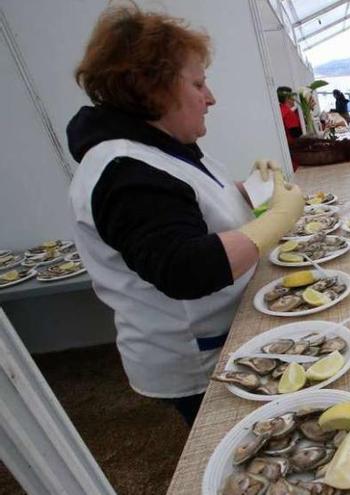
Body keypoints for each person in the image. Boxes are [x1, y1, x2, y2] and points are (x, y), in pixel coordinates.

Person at [66, 6, 305, 425]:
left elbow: (191, 204)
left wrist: (253, 190)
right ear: (154, 88)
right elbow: (186, 267)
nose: (210, 97)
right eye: (198, 83)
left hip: (227, 325)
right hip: (195, 352)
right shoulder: (124, 170)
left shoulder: (162, 145)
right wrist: (278, 218)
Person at [277, 86, 302, 169]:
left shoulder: (279, 110)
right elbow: (296, 134)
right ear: (288, 98)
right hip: (293, 150)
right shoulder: (288, 113)